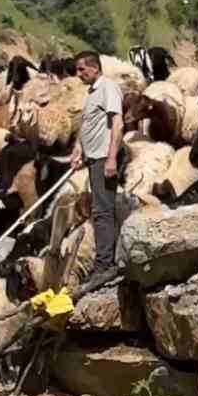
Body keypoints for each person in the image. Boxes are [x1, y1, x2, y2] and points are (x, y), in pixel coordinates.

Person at [70, 50, 124, 276]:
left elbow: (117, 124)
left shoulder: (108, 88)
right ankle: (104, 260)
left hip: (103, 158)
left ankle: (105, 265)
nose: (78, 74)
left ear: (95, 68)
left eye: (81, 69)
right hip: (93, 158)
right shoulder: (93, 92)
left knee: (102, 211)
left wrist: (111, 158)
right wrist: (78, 148)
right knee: (99, 209)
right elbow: (89, 124)